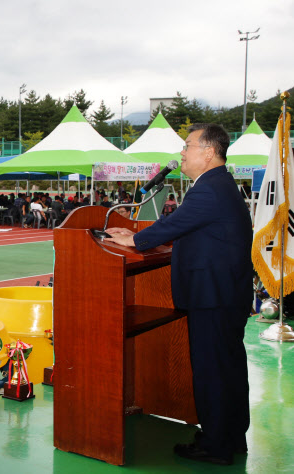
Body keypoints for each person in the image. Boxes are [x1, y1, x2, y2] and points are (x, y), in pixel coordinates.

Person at [106, 123, 251, 466]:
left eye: (188, 146)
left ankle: (216, 446)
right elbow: (191, 227)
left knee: (212, 370)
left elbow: (176, 224)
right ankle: (229, 436)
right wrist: (143, 234)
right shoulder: (220, 184)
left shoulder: (209, 188)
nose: (182, 153)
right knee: (227, 367)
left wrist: (133, 239)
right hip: (225, 293)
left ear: (209, 152)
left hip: (212, 296)